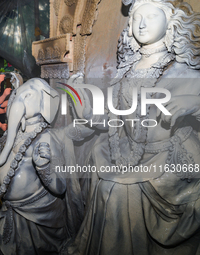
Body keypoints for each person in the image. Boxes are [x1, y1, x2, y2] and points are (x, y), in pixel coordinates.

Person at [70, 0, 200, 254]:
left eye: (151, 16)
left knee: (117, 189)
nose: (141, 23)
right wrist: (89, 114)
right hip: (131, 153)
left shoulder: (182, 70)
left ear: (171, 23)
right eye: (136, 17)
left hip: (168, 158)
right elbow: (117, 117)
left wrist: (193, 105)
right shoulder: (127, 69)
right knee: (96, 160)